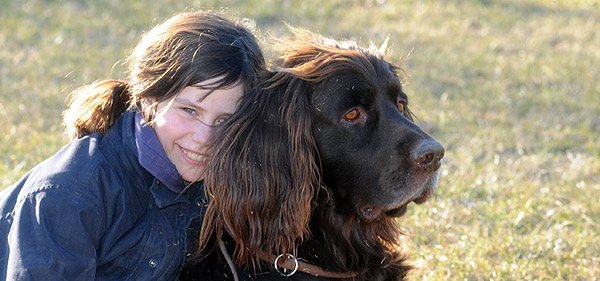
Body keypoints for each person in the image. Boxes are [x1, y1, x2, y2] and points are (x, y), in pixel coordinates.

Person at [0, 10, 266, 280]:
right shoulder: (70, 195)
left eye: (225, 120)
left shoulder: (225, 174)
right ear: (150, 99)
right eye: (189, 111)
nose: (205, 138)